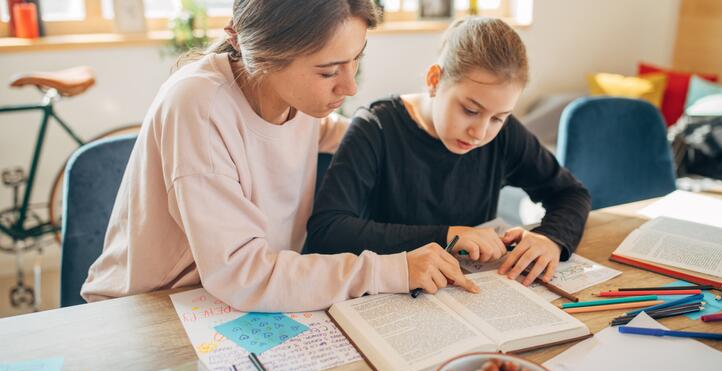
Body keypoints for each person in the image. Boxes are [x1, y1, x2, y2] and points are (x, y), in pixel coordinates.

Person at [80, 0, 480, 311]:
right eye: (328, 72)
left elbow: (347, 136)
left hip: (235, 301)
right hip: (153, 307)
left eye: (356, 59)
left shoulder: (301, 104)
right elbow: (242, 272)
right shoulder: (198, 106)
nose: (350, 86)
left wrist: (422, 126)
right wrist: (392, 268)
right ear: (261, 55)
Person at [307, 17, 592, 291]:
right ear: (434, 80)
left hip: (468, 293)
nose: (480, 132)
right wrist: (447, 236)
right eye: (470, 110)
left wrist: (551, 238)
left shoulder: (504, 135)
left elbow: (571, 193)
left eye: (498, 118)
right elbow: (328, 230)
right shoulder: (376, 127)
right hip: (388, 294)